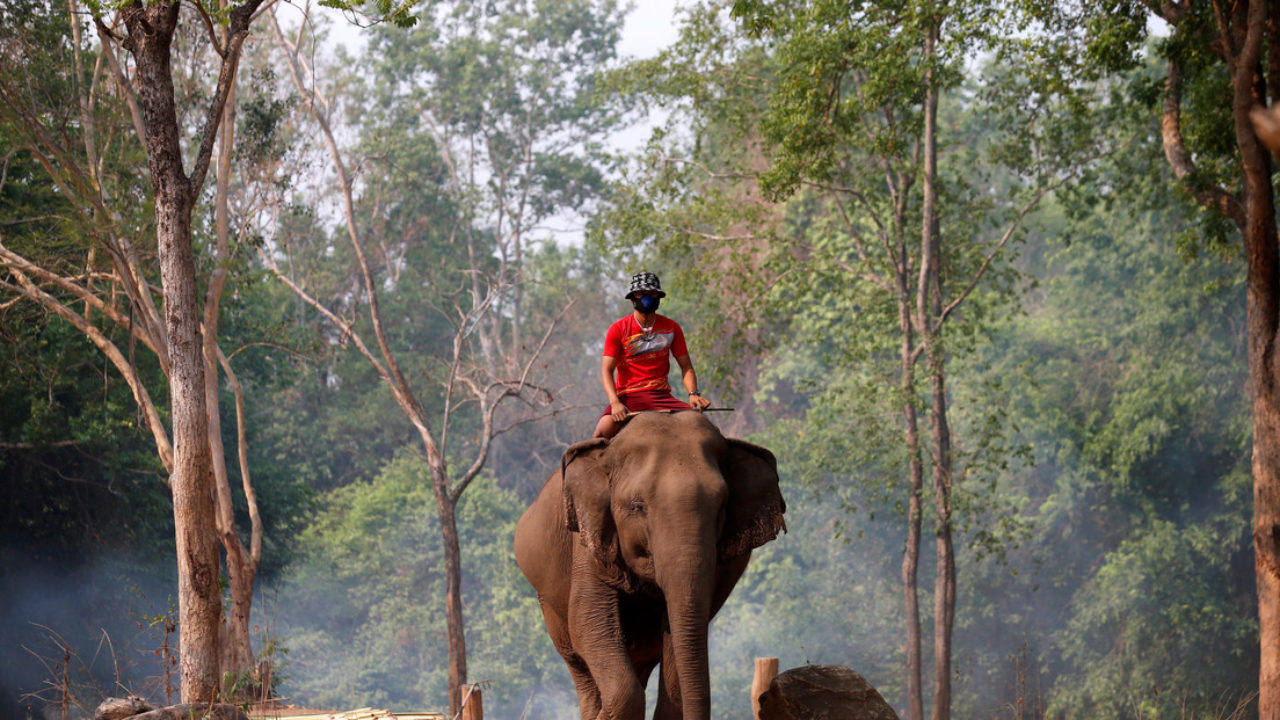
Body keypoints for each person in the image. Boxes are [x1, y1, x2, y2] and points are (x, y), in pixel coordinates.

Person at [593, 271, 712, 439]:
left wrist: (693, 394)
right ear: (633, 297)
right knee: (601, 432)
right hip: (629, 398)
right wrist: (615, 403)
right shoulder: (618, 329)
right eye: (641, 294)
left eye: (652, 293)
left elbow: (686, 367)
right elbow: (606, 371)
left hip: (661, 397)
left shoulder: (672, 327)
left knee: (702, 428)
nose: (647, 298)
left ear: (659, 297)